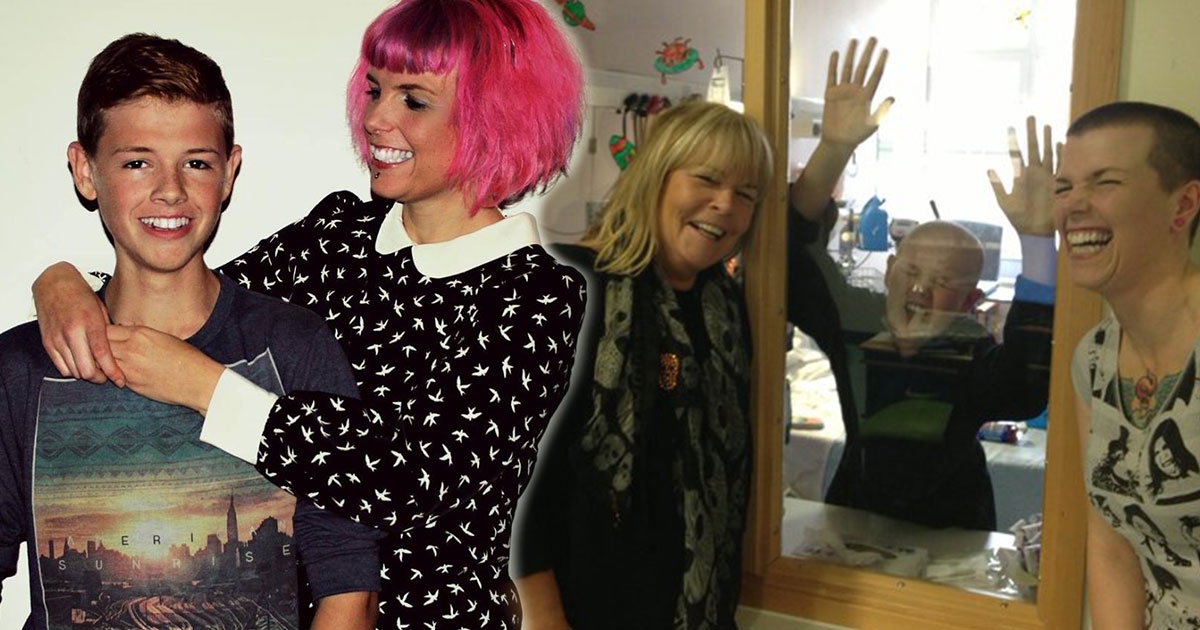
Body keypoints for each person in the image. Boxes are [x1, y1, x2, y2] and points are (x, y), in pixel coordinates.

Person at [32, 1, 586, 627]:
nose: (375, 118)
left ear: (496, 117)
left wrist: (206, 387)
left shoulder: (535, 296)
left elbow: (412, 482)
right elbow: (187, 301)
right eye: (374, 90)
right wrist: (65, 283)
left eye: (413, 100)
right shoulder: (337, 234)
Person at [0, 33, 382, 629]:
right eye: (137, 162)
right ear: (85, 171)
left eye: (196, 162)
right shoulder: (23, 368)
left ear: (229, 173)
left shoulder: (293, 348)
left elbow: (349, 586)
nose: (170, 189)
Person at [510, 100, 771, 629]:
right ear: (656, 176)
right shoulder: (572, 286)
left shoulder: (724, 305)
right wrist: (543, 618)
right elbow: (510, 478)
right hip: (583, 609)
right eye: (706, 179)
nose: (725, 204)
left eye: (746, 194)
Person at [812, 116, 1059, 531]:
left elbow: (1024, 385)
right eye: (911, 272)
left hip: (951, 529)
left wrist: (1037, 242)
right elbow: (803, 270)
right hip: (855, 515)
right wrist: (833, 150)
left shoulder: (971, 353)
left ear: (970, 302)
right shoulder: (857, 325)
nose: (920, 290)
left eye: (942, 282)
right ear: (890, 270)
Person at [1061, 101, 1200, 629]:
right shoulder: (1094, 357)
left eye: (1105, 182)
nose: (1074, 205)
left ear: (1182, 205)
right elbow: (1112, 544)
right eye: (1064, 187)